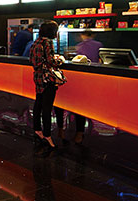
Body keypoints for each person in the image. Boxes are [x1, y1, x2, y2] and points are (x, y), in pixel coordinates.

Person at [30, 21, 66, 149]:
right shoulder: (48, 43)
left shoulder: (37, 42)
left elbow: (34, 60)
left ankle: (37, 130)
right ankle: (47, 135)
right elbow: (51, 61)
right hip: (47, 78)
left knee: (38, 104)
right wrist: (60, 60)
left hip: (38, 77)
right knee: (47, 107)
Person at [71, 30, 100, 144]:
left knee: (80, 103)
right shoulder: (98, 45)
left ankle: (80, 131)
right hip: (94, 77)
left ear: (83, 35)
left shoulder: (79, 46)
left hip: (81, 78)